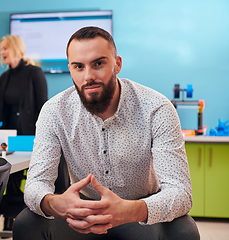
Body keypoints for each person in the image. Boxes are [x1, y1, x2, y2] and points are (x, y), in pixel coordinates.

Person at [13, 27, 200, 240]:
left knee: (184, 230)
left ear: (117, 64)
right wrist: (56, 204)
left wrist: (128, 210)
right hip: (83, 212)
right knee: (27, 223)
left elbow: (180, 193)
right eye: (79, 67)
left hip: (139, 211)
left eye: (98, 64)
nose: (88, 76)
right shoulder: (55, 111)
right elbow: (35, 184)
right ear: (70, 69)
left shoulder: (156, 108)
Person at [0, 35, 48, 230]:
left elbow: (43, 104)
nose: (2, 52)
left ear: (15, 48)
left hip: (30, 134)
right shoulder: (5, 77)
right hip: (9, 134)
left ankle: (24, 213)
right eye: (1, 49)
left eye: (5, 48)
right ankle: (10, 215)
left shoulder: (34, 72)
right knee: (11, 172)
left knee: (26, 172)